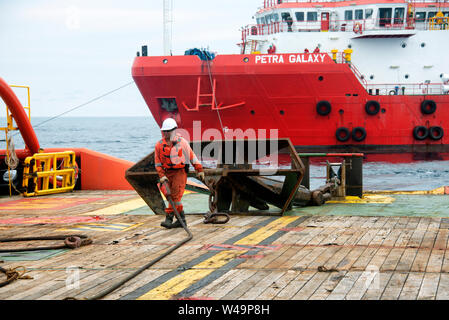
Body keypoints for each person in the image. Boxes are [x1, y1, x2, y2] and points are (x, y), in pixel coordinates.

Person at [154, 118, 204, 229]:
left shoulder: (182, 143)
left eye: (168, 131)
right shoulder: (159, 145)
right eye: (164, 131)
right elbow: (157, 163)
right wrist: (162, 176)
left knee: (175, 197)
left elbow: (192, 157)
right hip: (167, 174)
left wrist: (199, 170)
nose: (166, 133)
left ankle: (169, 218)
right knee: (169, 195)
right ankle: (181, 221)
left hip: (179, 173)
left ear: (174, 130)